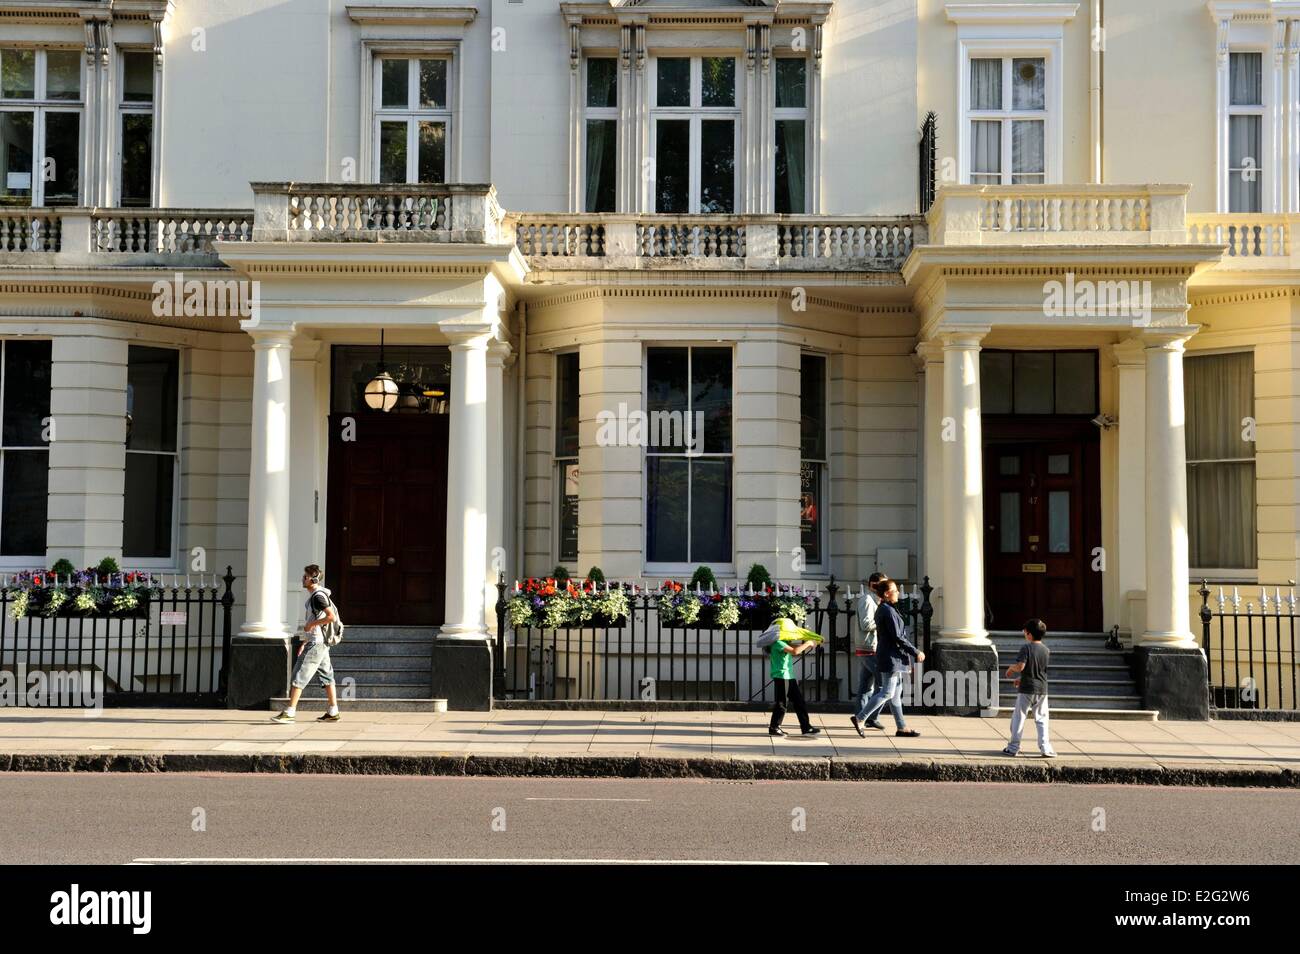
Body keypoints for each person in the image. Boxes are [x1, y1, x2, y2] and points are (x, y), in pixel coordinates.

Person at [272, 565, 342, 724]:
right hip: (319, 642)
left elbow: (330, 617)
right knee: (326, 676)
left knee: (299, 675)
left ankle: (290, 712)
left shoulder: (318, 597)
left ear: (314, 579)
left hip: (317, 643)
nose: (303, 579)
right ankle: (333, 711)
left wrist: (311, 627)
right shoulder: (317, 596)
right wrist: (305, 641)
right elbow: (318, 619)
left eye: (306, 577)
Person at [854, 578, 923, 738]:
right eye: (895, 590)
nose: (898, 592)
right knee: (886, 693)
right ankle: (860, 718)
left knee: (895, 694)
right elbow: (898, 637)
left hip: (893, 657)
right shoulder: (886, 610)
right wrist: (915, 652)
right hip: (890, 658)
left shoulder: (887, 608)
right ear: (886, 593)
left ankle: (902, 727)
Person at [1002, 618, 1057, 758]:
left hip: (1026, 690)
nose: (1024, 634)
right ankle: (1046, 748)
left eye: (1025, 632)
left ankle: (1013, 747)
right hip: (1042, 689)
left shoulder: (1026, 648)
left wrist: (1010, 669)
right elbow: (1039, 670)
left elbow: (1021, 666)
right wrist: (1021, 679)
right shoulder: (1046, 650)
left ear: (1029, 634)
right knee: (1042, 719)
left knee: (1019, 717)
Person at [768, 620, 822, 738]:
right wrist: (808, 643)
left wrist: (812, 643)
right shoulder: (778, 643)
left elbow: (796, 647)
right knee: (782, 703)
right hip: (782, 676)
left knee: (799, 702)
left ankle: (806, 727)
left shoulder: (783, 642)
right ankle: (774, 727)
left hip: (788, 676)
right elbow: (795, 651)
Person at [849, 572, 887, 737]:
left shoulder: (875, 601)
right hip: (868, 647)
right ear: (873, 585)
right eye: (883, 585)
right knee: (883, 684)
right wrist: (884, 622)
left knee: (866, 685)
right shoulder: (867, 600)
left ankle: (862, 716)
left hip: (868, 647)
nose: (886, 588)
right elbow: (866, 624)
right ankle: (869, 717)